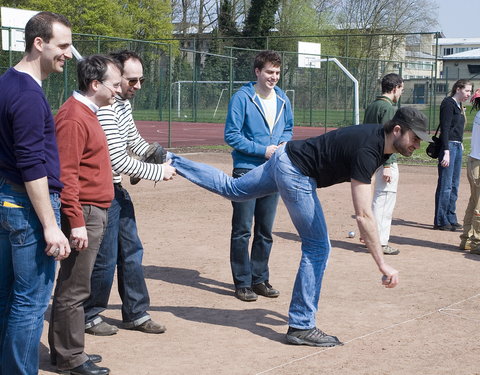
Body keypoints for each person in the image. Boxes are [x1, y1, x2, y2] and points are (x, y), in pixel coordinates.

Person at [166, 106, 430, 347]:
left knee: (234, 189)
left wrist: (366, 227)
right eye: (415, 138)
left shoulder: (378, 142)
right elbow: (362, 214)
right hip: (296, 172)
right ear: (397, 130)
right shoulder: (368, 148)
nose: (417, 144)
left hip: (286, 156)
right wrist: (382, 264)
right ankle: (302, 325)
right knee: (317, 247)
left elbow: (366, 187)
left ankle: (167, 159)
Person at [83, 50, 176, 336]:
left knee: (132, 251)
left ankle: (136, 313)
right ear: (115, 77)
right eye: (132, 80)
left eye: (142, 80)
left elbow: (132, 140)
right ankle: (89, 313)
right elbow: (117, 160)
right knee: (105, 257)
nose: (138, 86)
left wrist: (153, 152)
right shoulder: (106, 107)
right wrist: (158, 172)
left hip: (116, 189)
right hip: (101, 191)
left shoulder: (122, 105)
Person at [48, 55, 123, 375]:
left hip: (94, 210)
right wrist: (76, 221)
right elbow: (67, 175)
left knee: (75, 285)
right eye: (115, 84)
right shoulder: (74, 118)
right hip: (86, 213)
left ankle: (65, 351)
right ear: (95, 84)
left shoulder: (87, 112)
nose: (119, 90)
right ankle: (70, 356)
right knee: (75, 287)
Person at [224, 50, 293, 302]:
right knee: (242, 229)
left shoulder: (283, 99)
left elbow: (288, 128)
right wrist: (262, 150)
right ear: (257, 72)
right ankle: (242, 282)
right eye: (268, 72)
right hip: (246, 171)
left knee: (265, 230)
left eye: (276, 72)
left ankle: (260, 278)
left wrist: (283, 145)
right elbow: (231, 135)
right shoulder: (242, 97)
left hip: (272, 172)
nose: (273, 77)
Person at [363, 73, 404, 255]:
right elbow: (390, 138)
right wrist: (389, 163)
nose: (400, 93)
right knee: (385, 200)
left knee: (376, 200)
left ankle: (369, 237)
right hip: (384, 158)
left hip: (372, 157)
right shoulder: (387, 108)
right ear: (394, 88)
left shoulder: (372, 106)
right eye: (401, 89)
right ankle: (379, 242)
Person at [434, 79, 472, 231]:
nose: (468, 94)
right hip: (448, 146)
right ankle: (441, 220)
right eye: (466, 91)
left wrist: (460, 143)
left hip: (457, 146)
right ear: (458, 89)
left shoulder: (459, 105)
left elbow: (457, 129)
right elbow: (445, 128)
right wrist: (446, 151)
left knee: (454, 185)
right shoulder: (448, 103)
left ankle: (451, 216)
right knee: (446, 185)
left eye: (470, 91)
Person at [460, 89, 480, 254]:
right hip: (478, 163)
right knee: (478, 204)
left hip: (474, 162)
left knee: (474, 201)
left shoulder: (479, 114)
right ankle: (477, 242)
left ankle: (467, 238)